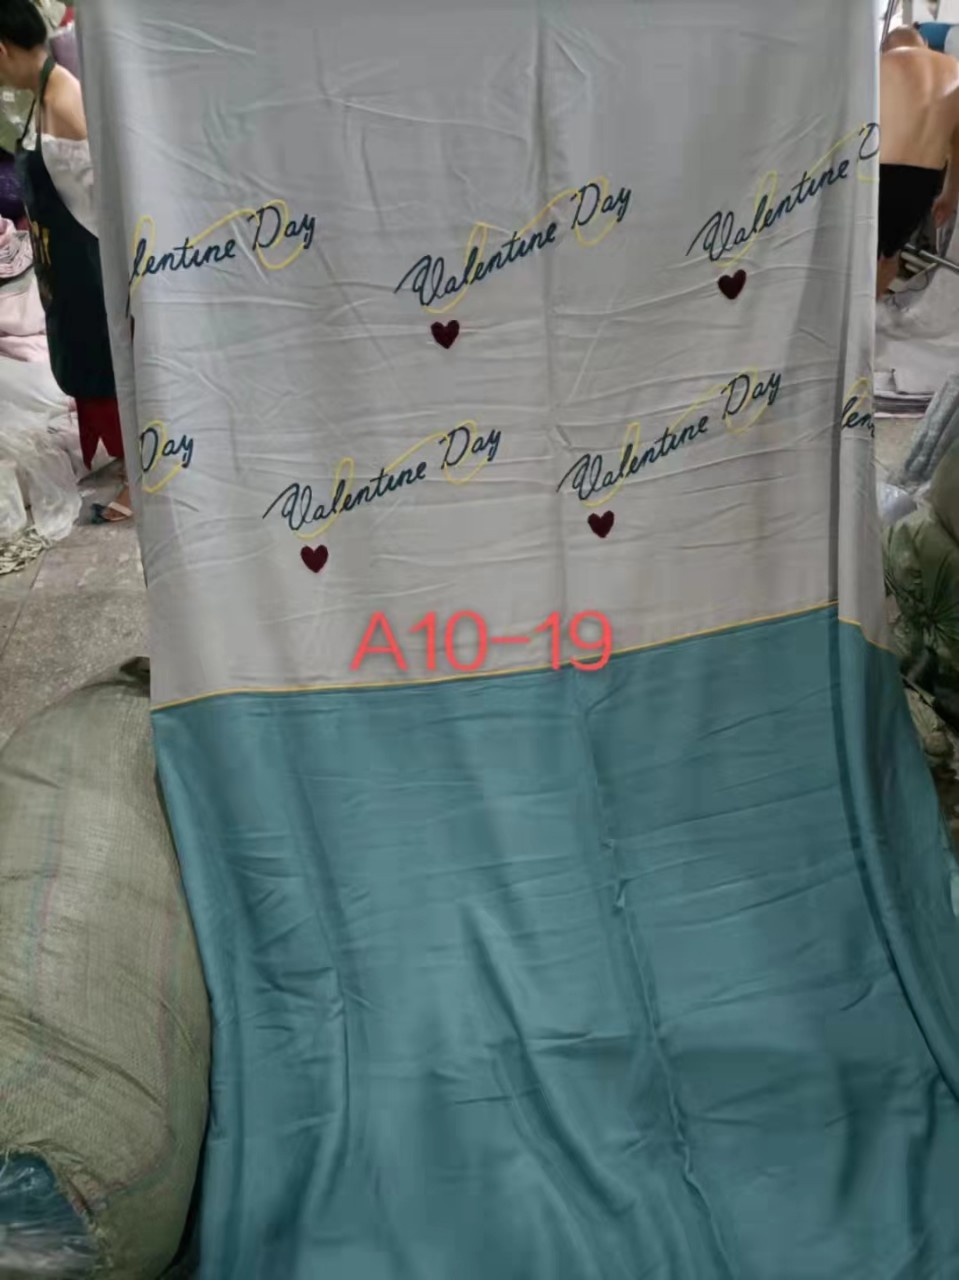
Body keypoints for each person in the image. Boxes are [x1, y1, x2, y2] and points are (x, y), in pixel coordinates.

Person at [0, 0, 130, 521]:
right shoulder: (40, 98)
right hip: (64, 272)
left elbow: (106, 206)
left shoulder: (66, 99)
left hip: (90, 268)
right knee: (85, 367)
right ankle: (131, 471)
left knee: (112, 375)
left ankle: (144, 486)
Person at [878, 26, 959, 297]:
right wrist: (950, 194)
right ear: (924, 42)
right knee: (889, 258)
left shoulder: (885, 62)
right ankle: (864, 317)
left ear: (887, 47)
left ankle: (846, 317)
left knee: (859, 254)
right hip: (923, 182)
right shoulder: (955, 69)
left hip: (878, 171)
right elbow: (957, 143)